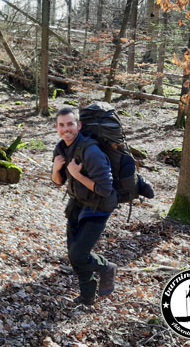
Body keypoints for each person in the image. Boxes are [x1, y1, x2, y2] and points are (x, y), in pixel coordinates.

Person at [51, 107, 118, 305]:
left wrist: (77, 174)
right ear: (56, 128)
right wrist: (56, 169)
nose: (66, 129)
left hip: (99, 207)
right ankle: (87, 296)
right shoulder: (60, 148)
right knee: (75, 255)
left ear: (78, 125)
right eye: (62, 125)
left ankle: (107, 267)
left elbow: (105, 189)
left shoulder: (91, 151)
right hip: (77, 204)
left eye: (70, 124)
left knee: (79, 254)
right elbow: (57, 181)